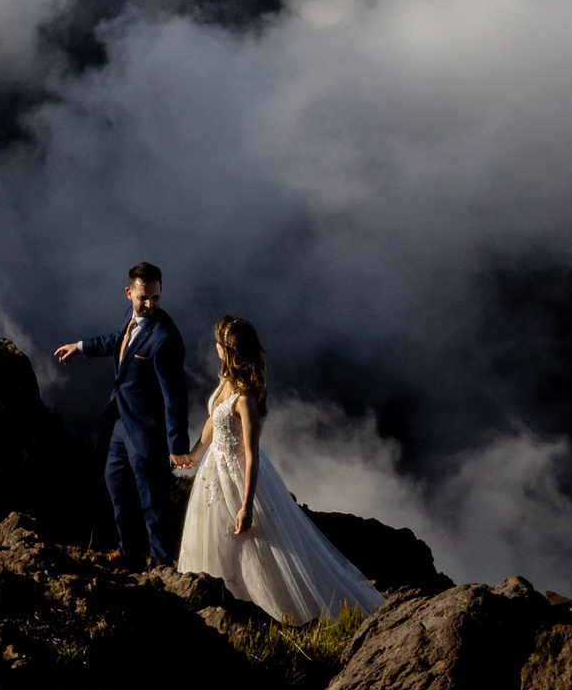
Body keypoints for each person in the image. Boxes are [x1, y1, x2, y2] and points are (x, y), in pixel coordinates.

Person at [174, 315, 384, 623]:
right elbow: (213, 421)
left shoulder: (245, 397)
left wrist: (247, 506)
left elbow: (251, 454)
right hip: (213, 472)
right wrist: (195, 452)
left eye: (218, 342)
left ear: (227, 349)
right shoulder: (225, 381)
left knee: (252, 545)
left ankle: (269, 609)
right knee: (217, 540)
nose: (215, 346)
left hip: (237, 476)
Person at [53, 260, 192, 568]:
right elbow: (119, 342)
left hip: (148, 431)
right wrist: (80, 346)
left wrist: (177, 444)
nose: (150, 304)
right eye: (144, 297)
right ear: (129, 293)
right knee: (115, 482)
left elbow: (175, 397)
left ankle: (162, 563)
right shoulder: (131, 317)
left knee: (153, 498)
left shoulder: (166, 338)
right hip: (122, 423)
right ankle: (128, 551)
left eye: (156, 297)